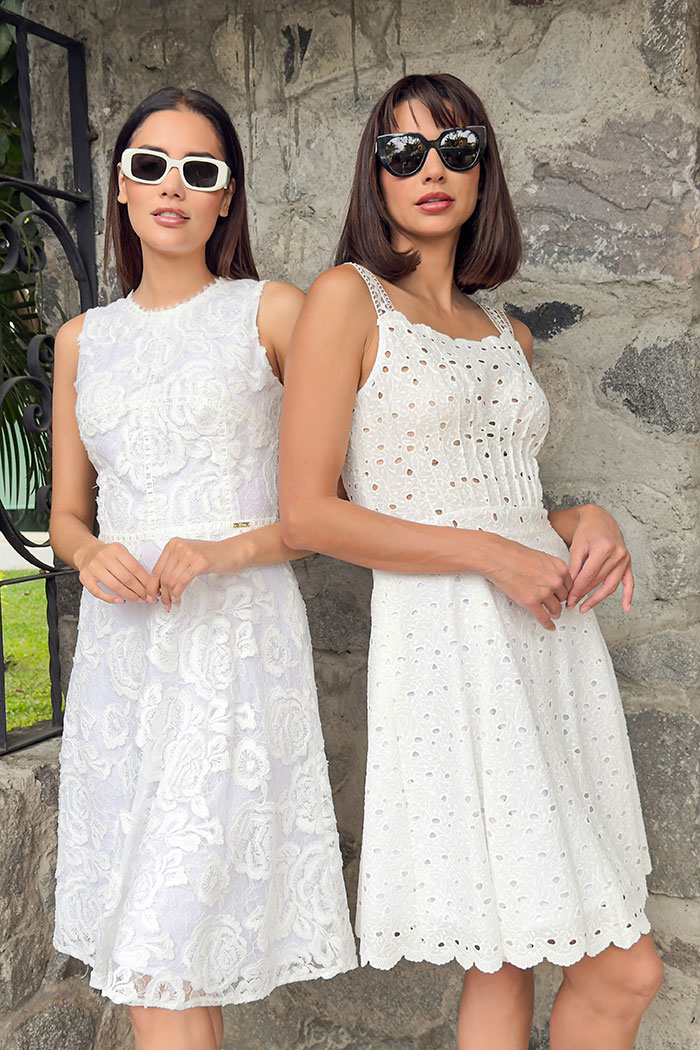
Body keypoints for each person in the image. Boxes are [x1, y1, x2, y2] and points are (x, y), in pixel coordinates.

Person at [278, 73, 663, 1050]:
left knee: (506, 953)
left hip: (547, 640)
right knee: (625, 968)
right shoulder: (346, 299)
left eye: (456, 148)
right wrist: (488, 554)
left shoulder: (507, 333)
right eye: (403, 152)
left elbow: (497, 492)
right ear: (375, 175)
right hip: (451, 646)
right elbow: (308, 512)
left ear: (484, 169)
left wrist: (582, 516)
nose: (431, 169)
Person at [50, 87, 356, 1050]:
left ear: (227, 197)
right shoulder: (81, 341)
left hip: (233, 655)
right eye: (149, 166)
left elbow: (334, 505)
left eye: (199, 170)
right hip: (121, 668)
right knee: (167, 956)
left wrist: (227, 548)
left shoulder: (273, 311)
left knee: (158, 955)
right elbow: (65, 516)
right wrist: (91, 552)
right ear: (120, 189)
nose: (171, 187)